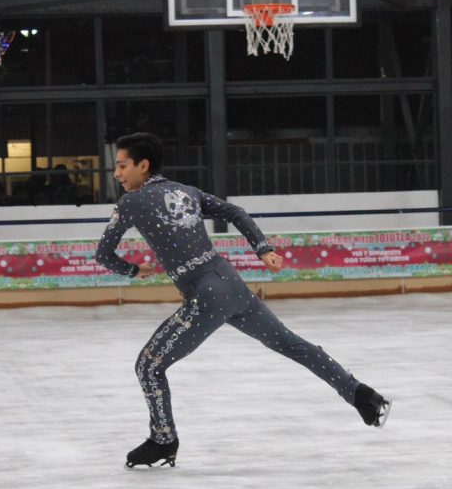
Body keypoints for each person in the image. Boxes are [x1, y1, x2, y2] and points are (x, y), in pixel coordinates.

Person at [95, 132, 391, 469]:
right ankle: (360, 395)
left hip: (206, 297)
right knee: (290, 343)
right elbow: (235, 211)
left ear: (143, 166)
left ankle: (163, 439)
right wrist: (263, 249)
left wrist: (132, 271)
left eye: (121, 166)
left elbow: (103, 253)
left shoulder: (130, 203)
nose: (117, 174)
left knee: (148, 366)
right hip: (232, 285)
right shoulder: (187, 192)